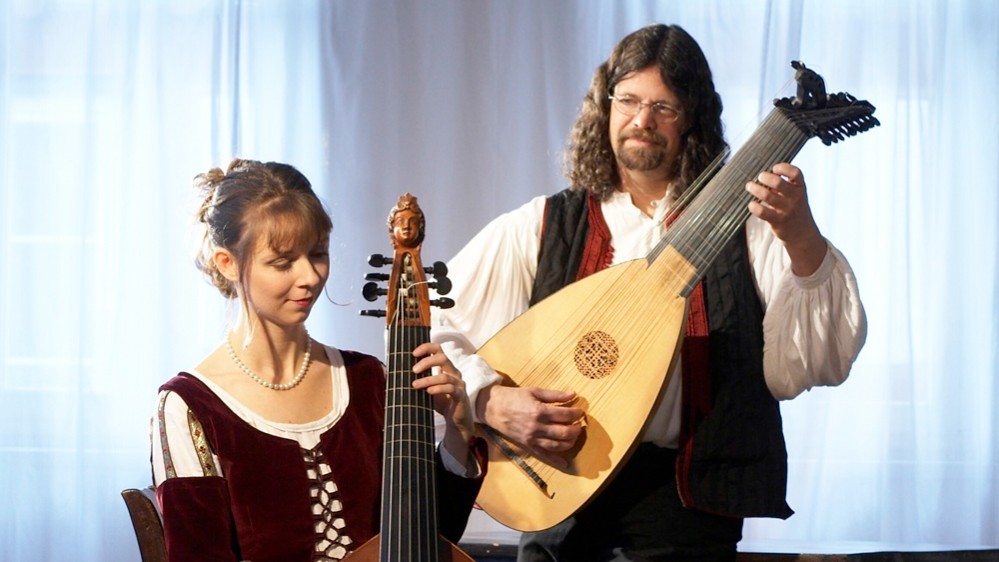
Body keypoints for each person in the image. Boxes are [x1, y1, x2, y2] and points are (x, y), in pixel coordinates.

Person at [431, 24, 867, 562]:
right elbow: (432, 326)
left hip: (683, 506)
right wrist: (491, 401)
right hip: (555, 488)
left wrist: (800, 234)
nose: (642, 120)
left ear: (693, 119)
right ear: (605, 106)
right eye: (629, 100)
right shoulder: (545, 225)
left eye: (664, 106)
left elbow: (813, 364)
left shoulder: (747, 229)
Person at [150, 158, 484, 562]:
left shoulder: (369, 380)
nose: (309, 276)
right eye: (283, 261)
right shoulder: (189, 407)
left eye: (318, 253)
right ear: (228, 262)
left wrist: (457, 433)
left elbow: (425, 543)